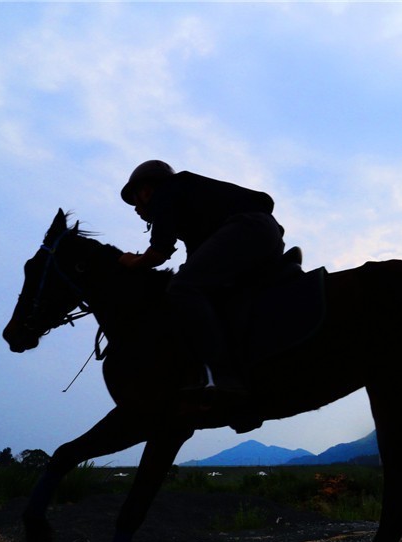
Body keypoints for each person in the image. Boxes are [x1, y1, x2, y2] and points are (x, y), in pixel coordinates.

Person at [118, 160, 284, 394]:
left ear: (146, 191)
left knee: (182, 289)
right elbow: (196, 257)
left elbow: (159, 252)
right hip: (266, 235)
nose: (136, 209)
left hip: (248, 229)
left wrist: (132, 262)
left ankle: (223, 378)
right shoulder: (191, 205)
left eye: (135, 200)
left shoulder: (165, 193)